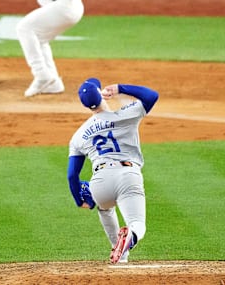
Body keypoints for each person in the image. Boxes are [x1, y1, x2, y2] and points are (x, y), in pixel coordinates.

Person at [67, 77, 159, 264]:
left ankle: (120, 254)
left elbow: (72, 175)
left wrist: (79, 200)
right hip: (128, 176)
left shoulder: (78, 136)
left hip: (99, 183)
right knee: (137, 224)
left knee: (104, 207)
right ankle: (130, 237)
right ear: (101, 95)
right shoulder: (126, 114)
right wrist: (119, 88)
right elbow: (151, 96)